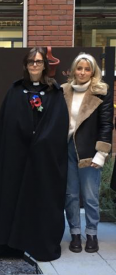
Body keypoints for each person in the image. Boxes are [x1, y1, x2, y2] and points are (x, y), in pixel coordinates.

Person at [0, 47, 69, 261]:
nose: (35, 65)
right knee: (13, 195)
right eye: (31, 62)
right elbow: (7, 124)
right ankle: (10, 244)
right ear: (26, 65)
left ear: (45, 65)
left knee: (40, 198)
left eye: (38, 61)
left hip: (43, 158)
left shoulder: (54, 92)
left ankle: (37, 242)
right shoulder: (15, 90)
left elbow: (58, 123)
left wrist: (41, 142)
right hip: (17, 156)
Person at [63, 53, 113, 253]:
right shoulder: (63, 91)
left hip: (89, 152)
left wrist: (101, 153)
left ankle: (91, 233)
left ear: (93, 71)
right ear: (74, 69)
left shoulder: (101, 91)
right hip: (66, 150)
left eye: (87, 69)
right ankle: (75, 233)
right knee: (70, 195)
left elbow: (106, 124)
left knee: (90, 197)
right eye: (79, 68)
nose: (82, 72)